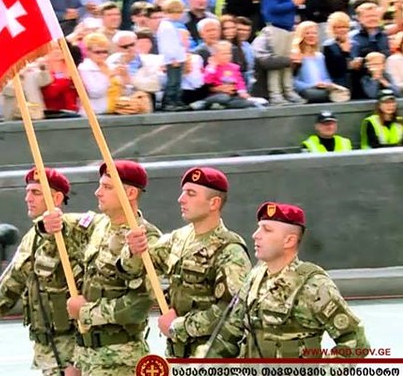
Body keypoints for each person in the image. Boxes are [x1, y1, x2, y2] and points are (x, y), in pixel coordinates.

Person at [0, 167, 82, 376]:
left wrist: (80, 360)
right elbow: (6, 290)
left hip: (77, 349)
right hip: (49, 354)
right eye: (27, 192)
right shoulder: (32, 240)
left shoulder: (78, 232)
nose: (28, 198)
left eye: (36, 192)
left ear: (56, 198)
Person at [205, 202, 369, 358]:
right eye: (258, 228)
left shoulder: (313, 285)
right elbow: (229, 335)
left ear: (289, 240)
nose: (256, 235)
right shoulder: (254, 278)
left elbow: (356, 343)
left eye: (266, 230)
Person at [122, 167, 252, 358]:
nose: (181, 199)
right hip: (176, 353)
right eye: (183, 192)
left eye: (191, 194)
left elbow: (233, 312)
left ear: (214, 203)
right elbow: (140, 266)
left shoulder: (230, 249)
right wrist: (133, 250)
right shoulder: (178, 239)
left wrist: (179, 326)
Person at [61, 161, 162, 376]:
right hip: (87, 353)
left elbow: (140, 303)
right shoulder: (100, 225)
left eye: (107, 187)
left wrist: (85, 312)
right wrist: (48, 223)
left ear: (131, 192)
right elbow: (61, 223)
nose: (98, 192)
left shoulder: (146, 239)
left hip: (120, 358)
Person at [262, 0, 308, 105]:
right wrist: (293, 4)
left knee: (289, 62)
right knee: (277, 63)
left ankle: (288, 91)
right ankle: (276, 94)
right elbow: (270, 8)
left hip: (288, 26)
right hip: (276, 27)